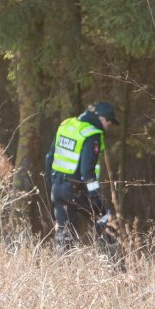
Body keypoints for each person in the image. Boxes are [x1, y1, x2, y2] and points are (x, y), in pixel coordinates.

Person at [45, 102, 119, 251]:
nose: (107, 127)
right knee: (107, 221)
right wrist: (95, 197)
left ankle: (60, 269)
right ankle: (116, 266)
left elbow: (49, 158)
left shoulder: (66, 125)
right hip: (75, 190)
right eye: (108, 122)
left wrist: (50, 186)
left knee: (64, 235)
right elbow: (87, 171)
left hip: (57, 188)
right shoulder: (92, 135)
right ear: (100, 118)